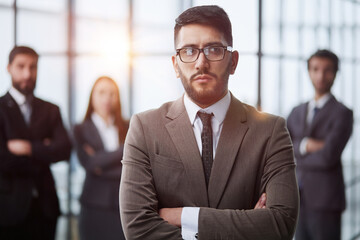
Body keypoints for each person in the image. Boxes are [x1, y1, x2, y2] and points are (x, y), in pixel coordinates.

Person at [120, 5, 299, 240]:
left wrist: (183, 217)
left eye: (214, 49)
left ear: (233, 61)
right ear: (175, 64)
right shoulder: (144, 128)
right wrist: (249, 225)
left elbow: (280, 225)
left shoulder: (270, 131)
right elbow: (138, 228)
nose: (201, 63)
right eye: (189, 50)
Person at [0, 46, 72, 240]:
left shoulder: (51, 110)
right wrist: (44, 149)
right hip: (8, 210)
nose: (27, 73)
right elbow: (3, 160)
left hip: (45, 209)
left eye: (33, 67)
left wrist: (28, 148)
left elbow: (64, 150)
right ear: (8, 68)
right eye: (21, 66)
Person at [287, 49, 353, 240]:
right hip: (297, 200)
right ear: (308, 71)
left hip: (326, 202)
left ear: (335, 73)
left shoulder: (343, 113)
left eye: (327, 70)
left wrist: (295, 154)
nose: (321, 75)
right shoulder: (296, 112)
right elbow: (283, 149)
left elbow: (328, 156)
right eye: (315, 69)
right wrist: (306, 145)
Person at [74, 76, 128, 240]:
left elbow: (134, 166)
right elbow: (90, 163)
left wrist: (101, 164)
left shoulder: (129, 127)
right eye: (102, 92)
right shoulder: (81, 129)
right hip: (93, 206)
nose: (107, 98)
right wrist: (124, 151)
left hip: (123, 205)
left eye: (112, 93)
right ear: (92, 96)